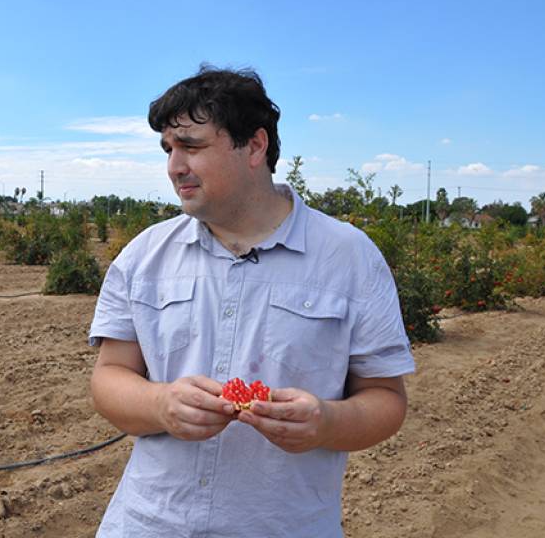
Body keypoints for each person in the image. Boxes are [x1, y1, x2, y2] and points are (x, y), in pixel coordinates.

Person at [88, 66, 415, 537]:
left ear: (255, 146)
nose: (174, 166)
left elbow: (386, 399)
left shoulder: (348, 257)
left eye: (192, 146)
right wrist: (162, 405)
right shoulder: (144, 256)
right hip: (149, 523)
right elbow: (109, 377)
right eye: (168, 149)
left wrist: (325, 422)